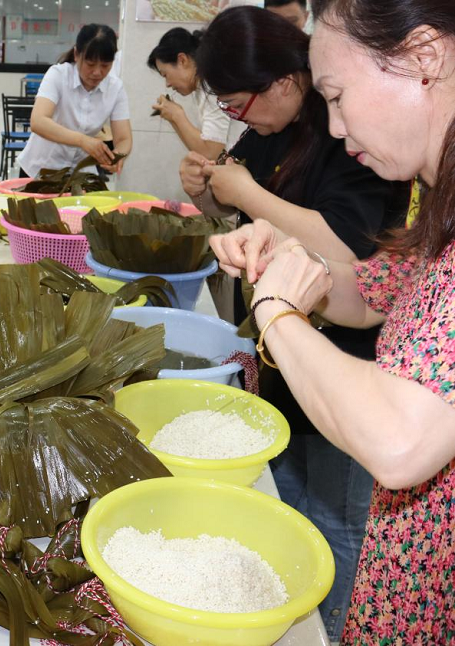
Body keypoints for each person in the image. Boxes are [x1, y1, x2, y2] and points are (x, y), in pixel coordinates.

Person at [212, 1, 455, 642]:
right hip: (404, 574)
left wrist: (276, 313)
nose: (339, 127)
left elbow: (403, 442)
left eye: (340, 97)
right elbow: (372, 295)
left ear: (423, 58)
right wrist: (289, 262)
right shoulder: (433, 196)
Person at [18, 24, 131, 179]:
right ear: (77, 54)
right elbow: (38, 121)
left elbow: (123, 138)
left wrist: (118, 156)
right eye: (90, 64)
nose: (97, 72)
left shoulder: (115, 88)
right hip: (40, 170)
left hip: (80, 175)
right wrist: (83, 141)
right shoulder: (58, 75)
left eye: (105, 65)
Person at [148, 28, 232, 161]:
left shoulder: (211, 86)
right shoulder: (200, 87)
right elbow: (201, 150)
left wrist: (177, 115)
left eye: (166, 75)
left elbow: (213, 153)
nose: (167, 84)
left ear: (182, 60)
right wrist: (172, 117)